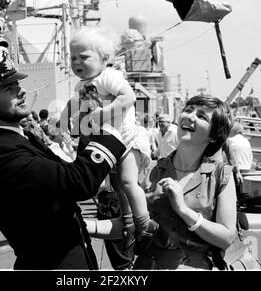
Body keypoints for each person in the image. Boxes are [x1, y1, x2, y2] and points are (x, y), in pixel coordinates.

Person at [0, 46, 131, 270]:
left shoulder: (20, 139)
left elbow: (49, 204)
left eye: (18, 84)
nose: (21, 91)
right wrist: (113, 130)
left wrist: (99, 227)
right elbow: (77, 182)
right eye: (9, 88)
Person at [86, 94, 238, 270]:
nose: (189, 116)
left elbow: (226, 238)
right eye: (188, 110)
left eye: (202, 116)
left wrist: (183, 210)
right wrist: (85, 226)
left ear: (213, 136)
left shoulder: (221, 175)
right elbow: (129, 225)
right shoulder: (150, 170)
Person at [60, 26, 155, 244]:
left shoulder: (108, 76)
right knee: (118, 185)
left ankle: (145, 222)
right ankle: (129, 223)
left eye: (83, 57)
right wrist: (63, 123)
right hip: (110, 144)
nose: (76, 62)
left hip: (127, 140)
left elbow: (128, 97)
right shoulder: (82, 85)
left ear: (104, 58)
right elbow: (72, 104)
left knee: (129, 182)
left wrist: (102, 114)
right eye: (72, 57)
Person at [225, 121, 253, 197]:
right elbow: (251, 158)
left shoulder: (230, 140)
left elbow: (228, 158)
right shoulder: (246, 141)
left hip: (236, 171)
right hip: (246, 170)